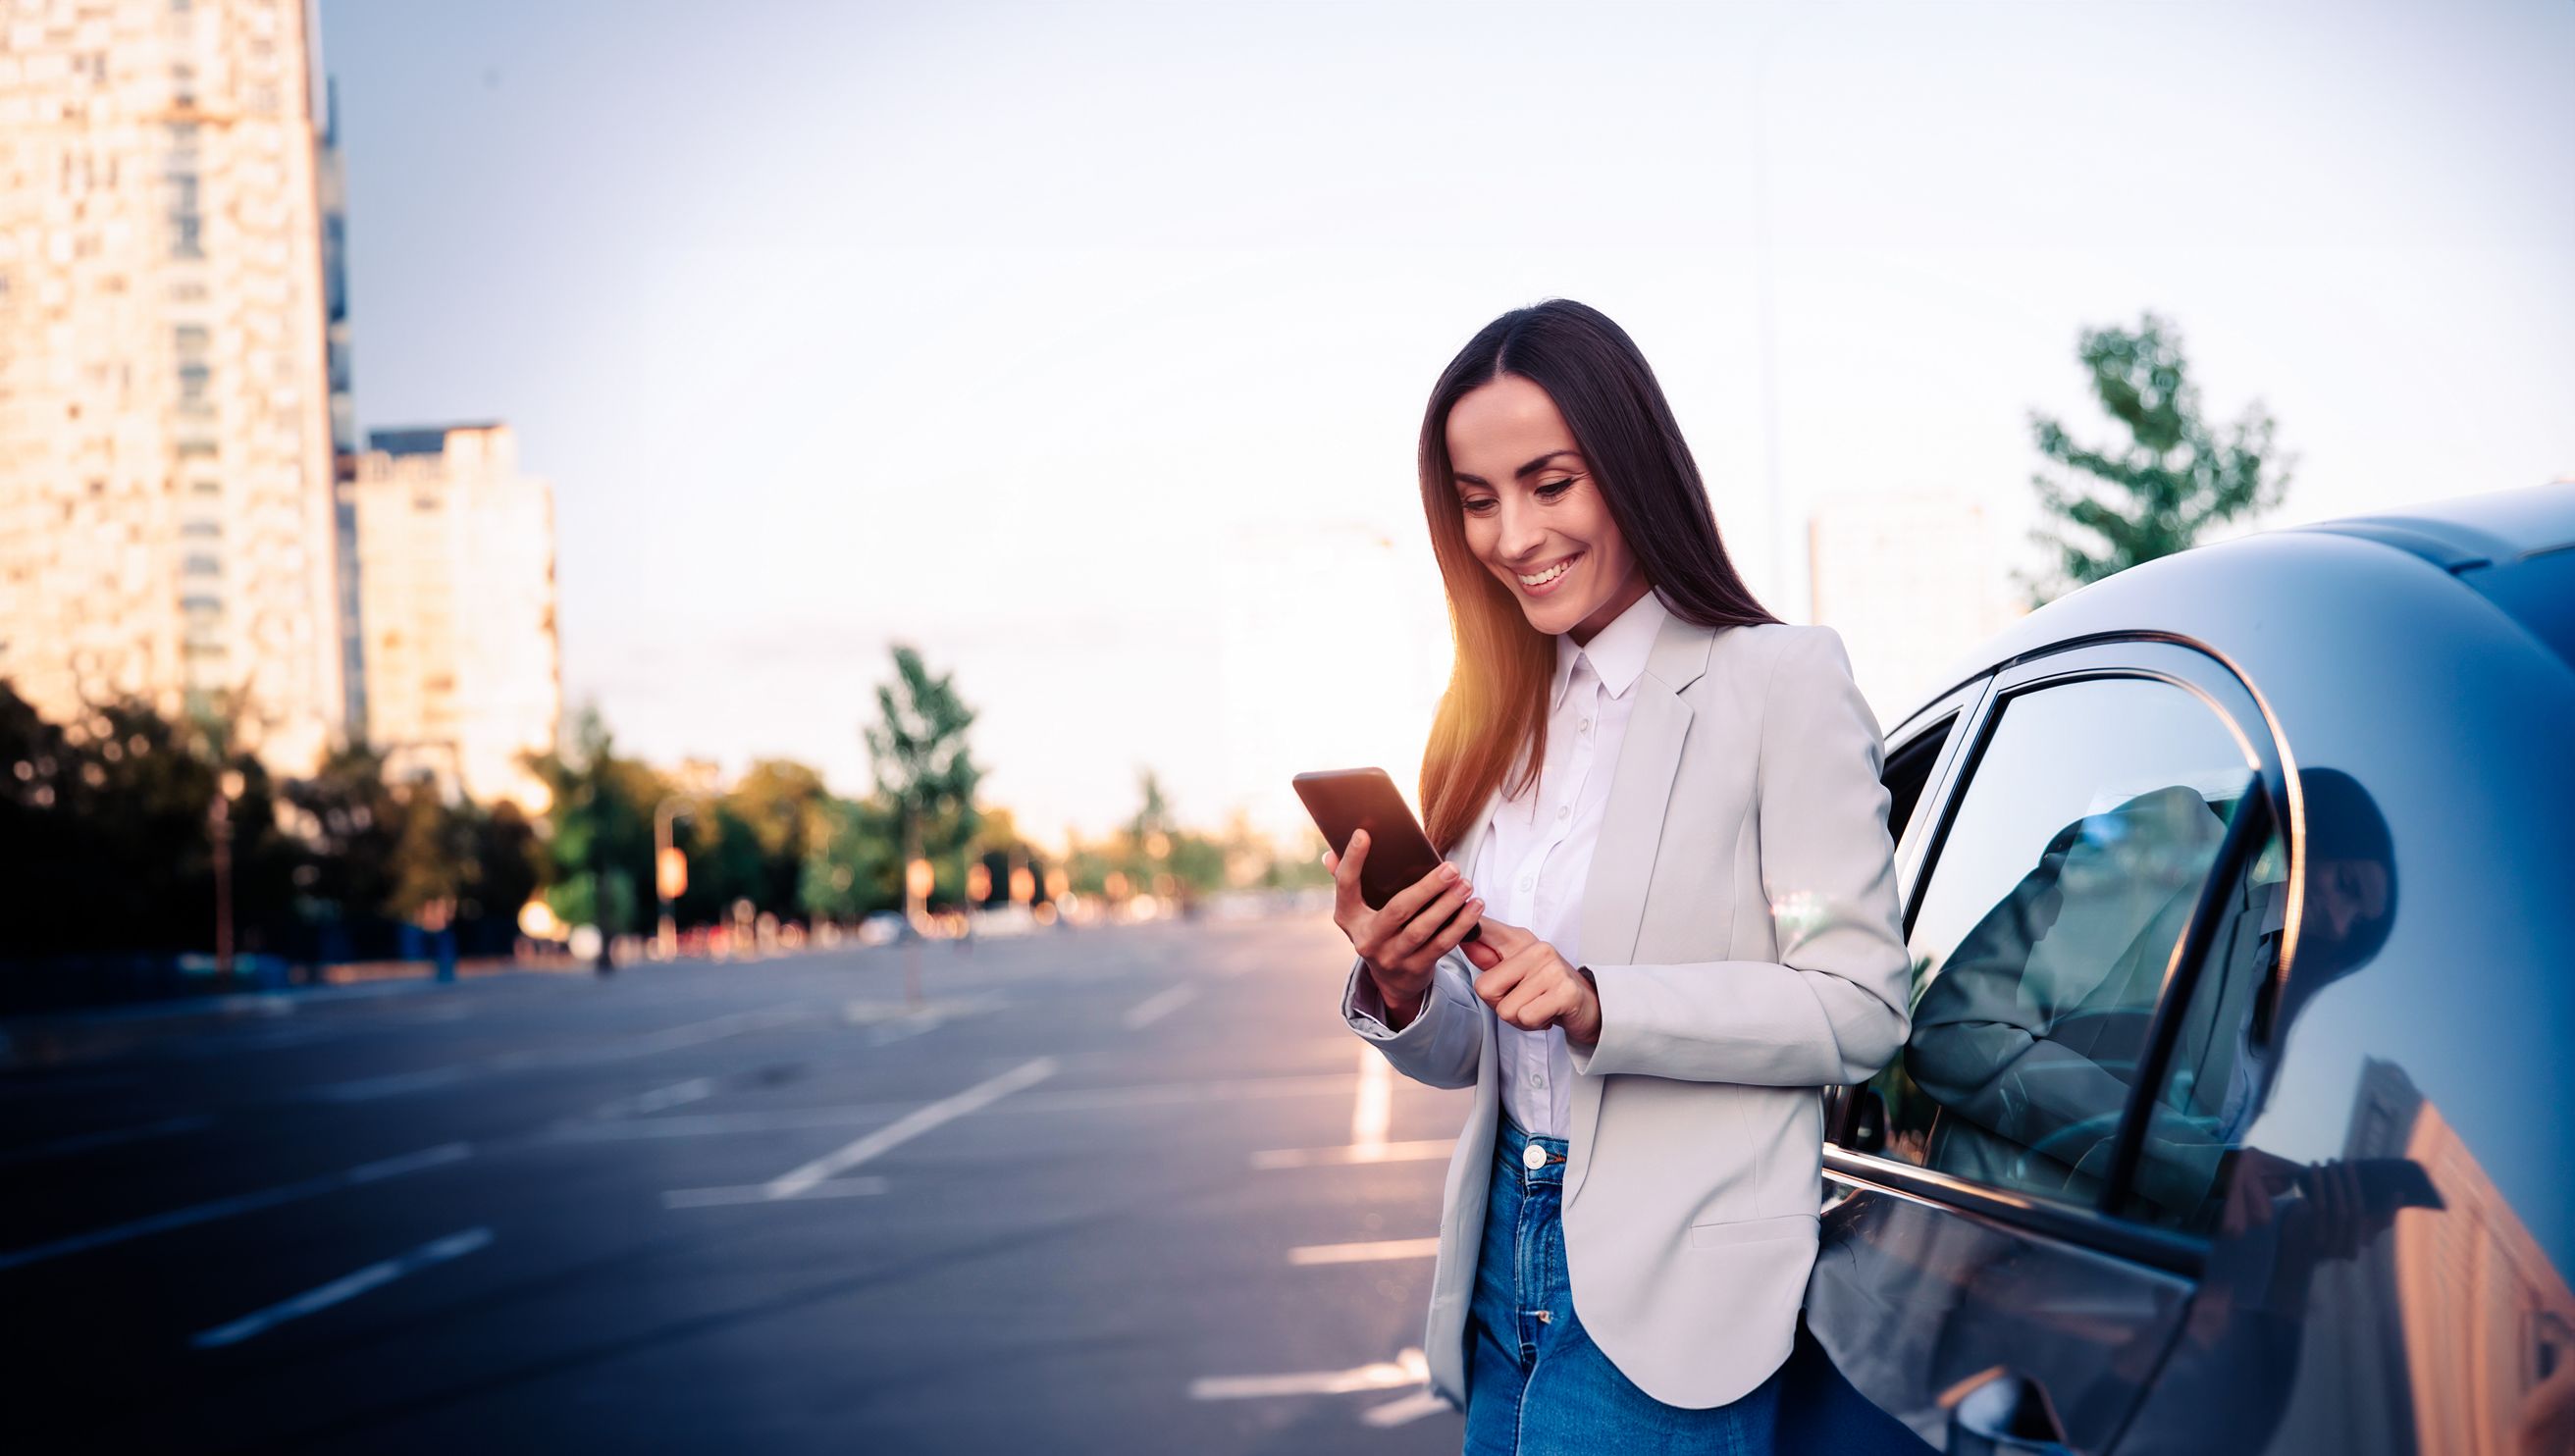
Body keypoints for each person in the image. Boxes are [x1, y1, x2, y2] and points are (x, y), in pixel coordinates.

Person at [1323, 298, 1913, 1454]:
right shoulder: (1486, 721)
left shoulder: (1775, 687)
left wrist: (1599, 998)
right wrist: (1398, 984)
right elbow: (1474, 1049)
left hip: (1675, 1286)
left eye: (1549, 482)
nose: (1510, 534)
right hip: (1503, 1259)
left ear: (1631, 468)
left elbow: (1854, 1002)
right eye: (1476, 498)